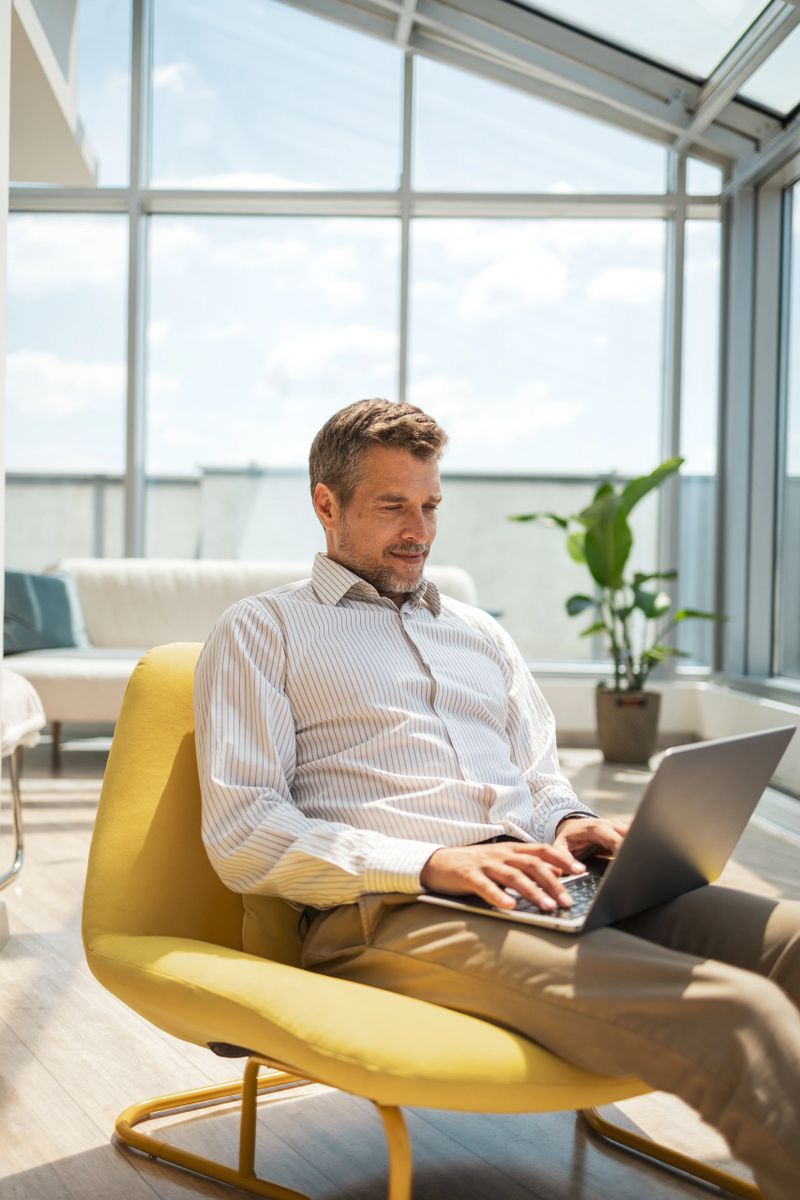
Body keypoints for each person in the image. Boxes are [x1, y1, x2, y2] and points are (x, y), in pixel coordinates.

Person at [194, 398, 800, 1199]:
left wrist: (572, 823)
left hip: (543, 877)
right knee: (734, 1014)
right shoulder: (261, 630)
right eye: (393, 506)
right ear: (326, 505)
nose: (419, 530)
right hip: (393, 912)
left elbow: (540, 778)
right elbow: (243, 831)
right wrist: (430, 863)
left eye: (430, 505)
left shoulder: (479, 633)